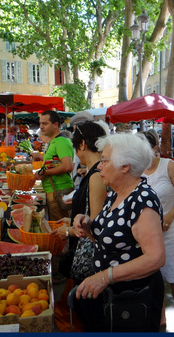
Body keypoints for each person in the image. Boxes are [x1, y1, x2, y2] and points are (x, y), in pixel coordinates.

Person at [70, 133, 165, 333]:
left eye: (105, 161)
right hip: (114, 296)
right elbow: (111, 238)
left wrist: (105, 277)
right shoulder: (116, 193)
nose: (99, 166)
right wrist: (88, 225)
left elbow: (156, 258)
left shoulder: (142, 200)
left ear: (125, 166)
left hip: (134, 298)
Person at [141, 129, 174, 332]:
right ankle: (160, 316)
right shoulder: (135, 170)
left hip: (172, 230)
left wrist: (170, 215)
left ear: (154, 149)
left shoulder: (168, 166)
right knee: (153, 276)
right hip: (148, 233)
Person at [54, 122, 107, 287]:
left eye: (76, 148)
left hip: (92, 260)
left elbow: (96, 225)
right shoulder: (94, 172)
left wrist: (68, 231)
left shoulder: (97, 176)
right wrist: (70, 222)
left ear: (82, 144)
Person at [33, 110, 76, 222]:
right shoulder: (54, 141)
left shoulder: (61, 142)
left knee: (60, 227)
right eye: (40, 123)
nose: (41, 127)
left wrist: (44, 173)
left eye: (45, 123)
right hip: (54, 190)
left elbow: (68, 166)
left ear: (56, 124)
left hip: (58, 191)